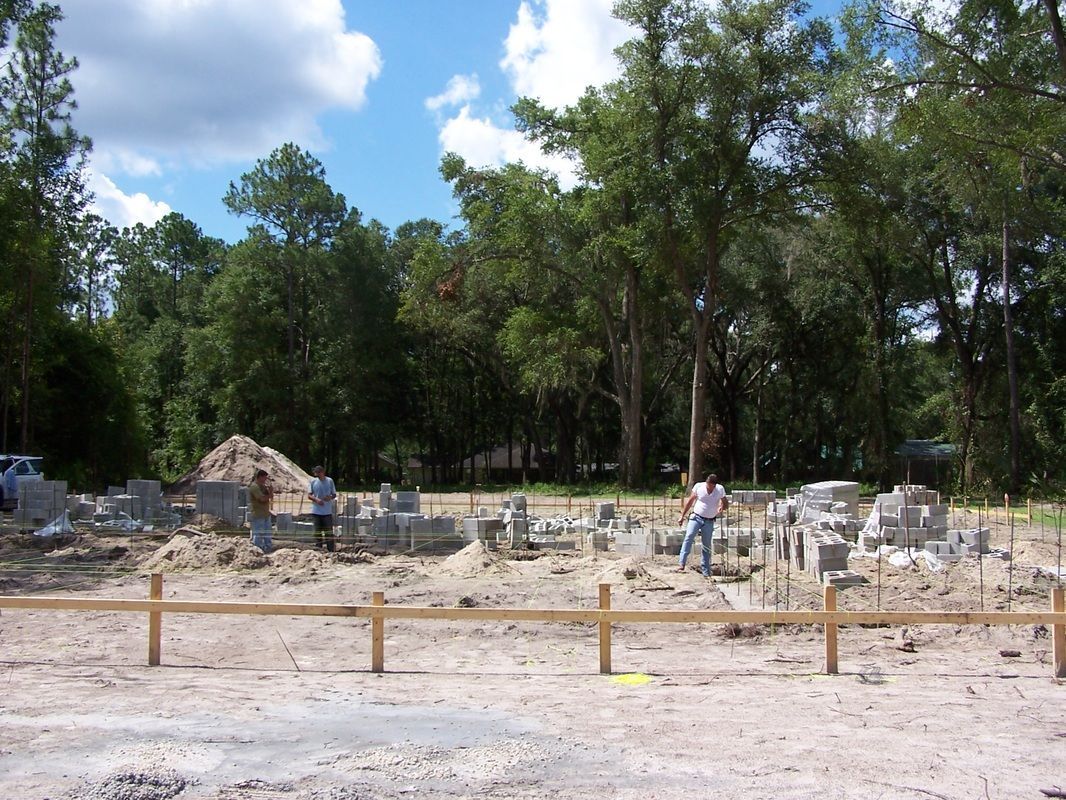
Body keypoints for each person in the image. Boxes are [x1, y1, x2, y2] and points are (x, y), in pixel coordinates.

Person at [676, 473, 729, 577]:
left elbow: (725, 502)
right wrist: (682, 516)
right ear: (706, 483)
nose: (710, 488)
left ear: (715, 485)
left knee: (706, 546)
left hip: (709, 521)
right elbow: (690, 502)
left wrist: (722, 507)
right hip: (696, 517)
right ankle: (681, 563)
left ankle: (706, 571)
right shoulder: (699, 487)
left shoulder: (720, 489)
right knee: (689, 537)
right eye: (708, 486)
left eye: (712, 487)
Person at [308, 464, 337, 552]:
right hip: (316, 511)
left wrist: (330, 497)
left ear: (323, 472)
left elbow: (334, 494)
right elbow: (309, 495)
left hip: (327, 512)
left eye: (319, 473)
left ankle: (331, 550)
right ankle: (318, 549)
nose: (317, 475)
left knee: (328, 532)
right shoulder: (313, 482)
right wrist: (316, 500)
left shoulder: (329, 481)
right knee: (317, 533)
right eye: (316, 473)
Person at [247, 468, 274, 554]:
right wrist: (269, 494)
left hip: (266, 513)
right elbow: (262, 499)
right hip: (258, 514)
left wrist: (270, 491)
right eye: (264, 478)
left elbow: (270, 497)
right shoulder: (254, 487)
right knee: (258, 533)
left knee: (267, 533)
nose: (265, 480)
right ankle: (257, 549)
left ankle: (268, 548)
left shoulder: (263, 486)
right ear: (259, 477)